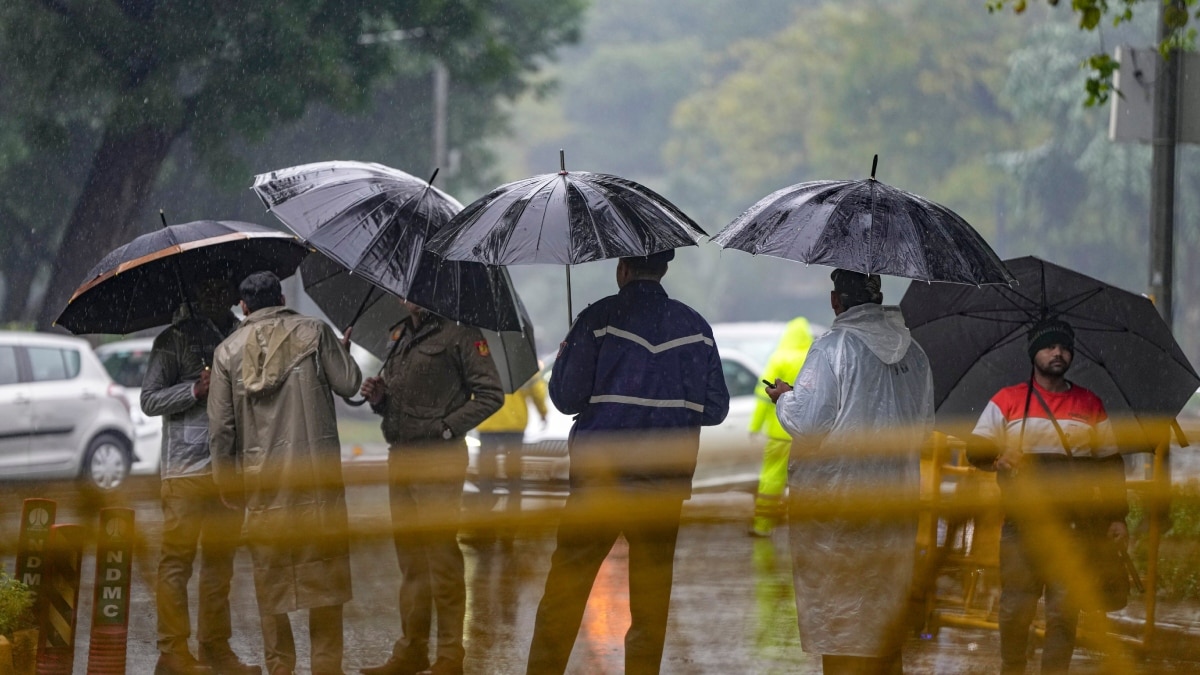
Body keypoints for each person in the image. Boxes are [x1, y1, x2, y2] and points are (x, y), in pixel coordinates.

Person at [526, 249, 730, 675]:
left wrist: (570, 352)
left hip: (599, 482)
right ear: (664, 268)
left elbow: (564, 399)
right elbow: (714, 410)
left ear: (622, 268)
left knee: (565, 592)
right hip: (663, 486)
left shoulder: (598, 318)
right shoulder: (696, 328)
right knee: (651, 606)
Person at [766, 269, 934, 675]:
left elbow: (808, 422)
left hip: (840, 508)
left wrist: (785, 399)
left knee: (841, 618)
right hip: (895, 502)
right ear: (877, 299)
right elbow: (925, 431)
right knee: (884, 611)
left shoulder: (832, 348)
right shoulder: (915, 353)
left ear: (835, 301)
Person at [207, 271, 362, 675]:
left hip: (262, 484)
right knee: (324, 570)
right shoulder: (314, 332)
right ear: (280, 296)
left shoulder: (226, 353)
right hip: (316, 479)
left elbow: (221, 427)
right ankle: (326, 665)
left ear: (244, 307)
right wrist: (339, 352)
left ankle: (280, 665)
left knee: (269, 573)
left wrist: (226, 481)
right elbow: (349, 384)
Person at [968, 318, 1128, 675]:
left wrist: (1118, 516)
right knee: (1014, 611)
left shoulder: (1090, 403)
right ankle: (1012, 668)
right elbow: (975, 449)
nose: (1058, 353)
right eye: (1049, 346)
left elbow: (1111, 465)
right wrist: (998, 456)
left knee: (1063, 614)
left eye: (1064, 347)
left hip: (1076, 530)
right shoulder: (1007, 400)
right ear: (1033, 353)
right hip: (1021, 528)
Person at [359, 299, 504, 675]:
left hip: (438, 461)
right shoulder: (400, 334)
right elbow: (397, 401)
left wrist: (446, 427)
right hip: (401, 458)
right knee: (411, 562)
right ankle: (411, 651)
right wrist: (379, 399)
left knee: (441, 559)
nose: (404, 294)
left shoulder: (461, 333)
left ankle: (449, 656)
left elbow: (491, 394)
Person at [141, 273, 260, 675]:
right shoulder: (172, 341)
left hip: (229, 469)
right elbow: (149, 400)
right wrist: (194, 390)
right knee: (176, 562)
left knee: (220, 563)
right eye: (209, 286)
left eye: (224, 287)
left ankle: (215, 649)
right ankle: (173, 653)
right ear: (192, 289)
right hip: (185, 471)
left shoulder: (244, 336)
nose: (218, 293)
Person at [747, 316, 815, 537]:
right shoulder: (813, 358)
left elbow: (763, 395)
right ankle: (803, 528)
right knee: (805, 481)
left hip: (778, 433)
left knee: (771, 479)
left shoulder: (779, 358)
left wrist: (755, 426)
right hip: (806, 434)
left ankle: (763, 526)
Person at [473, 369, 549, 536]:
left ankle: (484, 515)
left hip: (488, 422)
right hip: (514, 426)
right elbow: (536, 389)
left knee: (487, 473)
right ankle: (514, 515)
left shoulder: (483, 361)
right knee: (513, 473)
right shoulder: (519, 363)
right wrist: (543, 412)